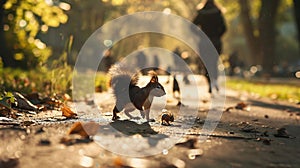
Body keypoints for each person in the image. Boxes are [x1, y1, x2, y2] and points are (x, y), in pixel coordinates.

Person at [193, 0, 226, 93]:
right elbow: (224, 28)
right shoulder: (218, 13)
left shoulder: (201, 13)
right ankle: (214, 81)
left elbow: (192, 26)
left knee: (206, 63)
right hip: (215, 41)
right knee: (214, 62)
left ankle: (209, 82)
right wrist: (218, 35)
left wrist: (200, 34)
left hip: (204, 42)